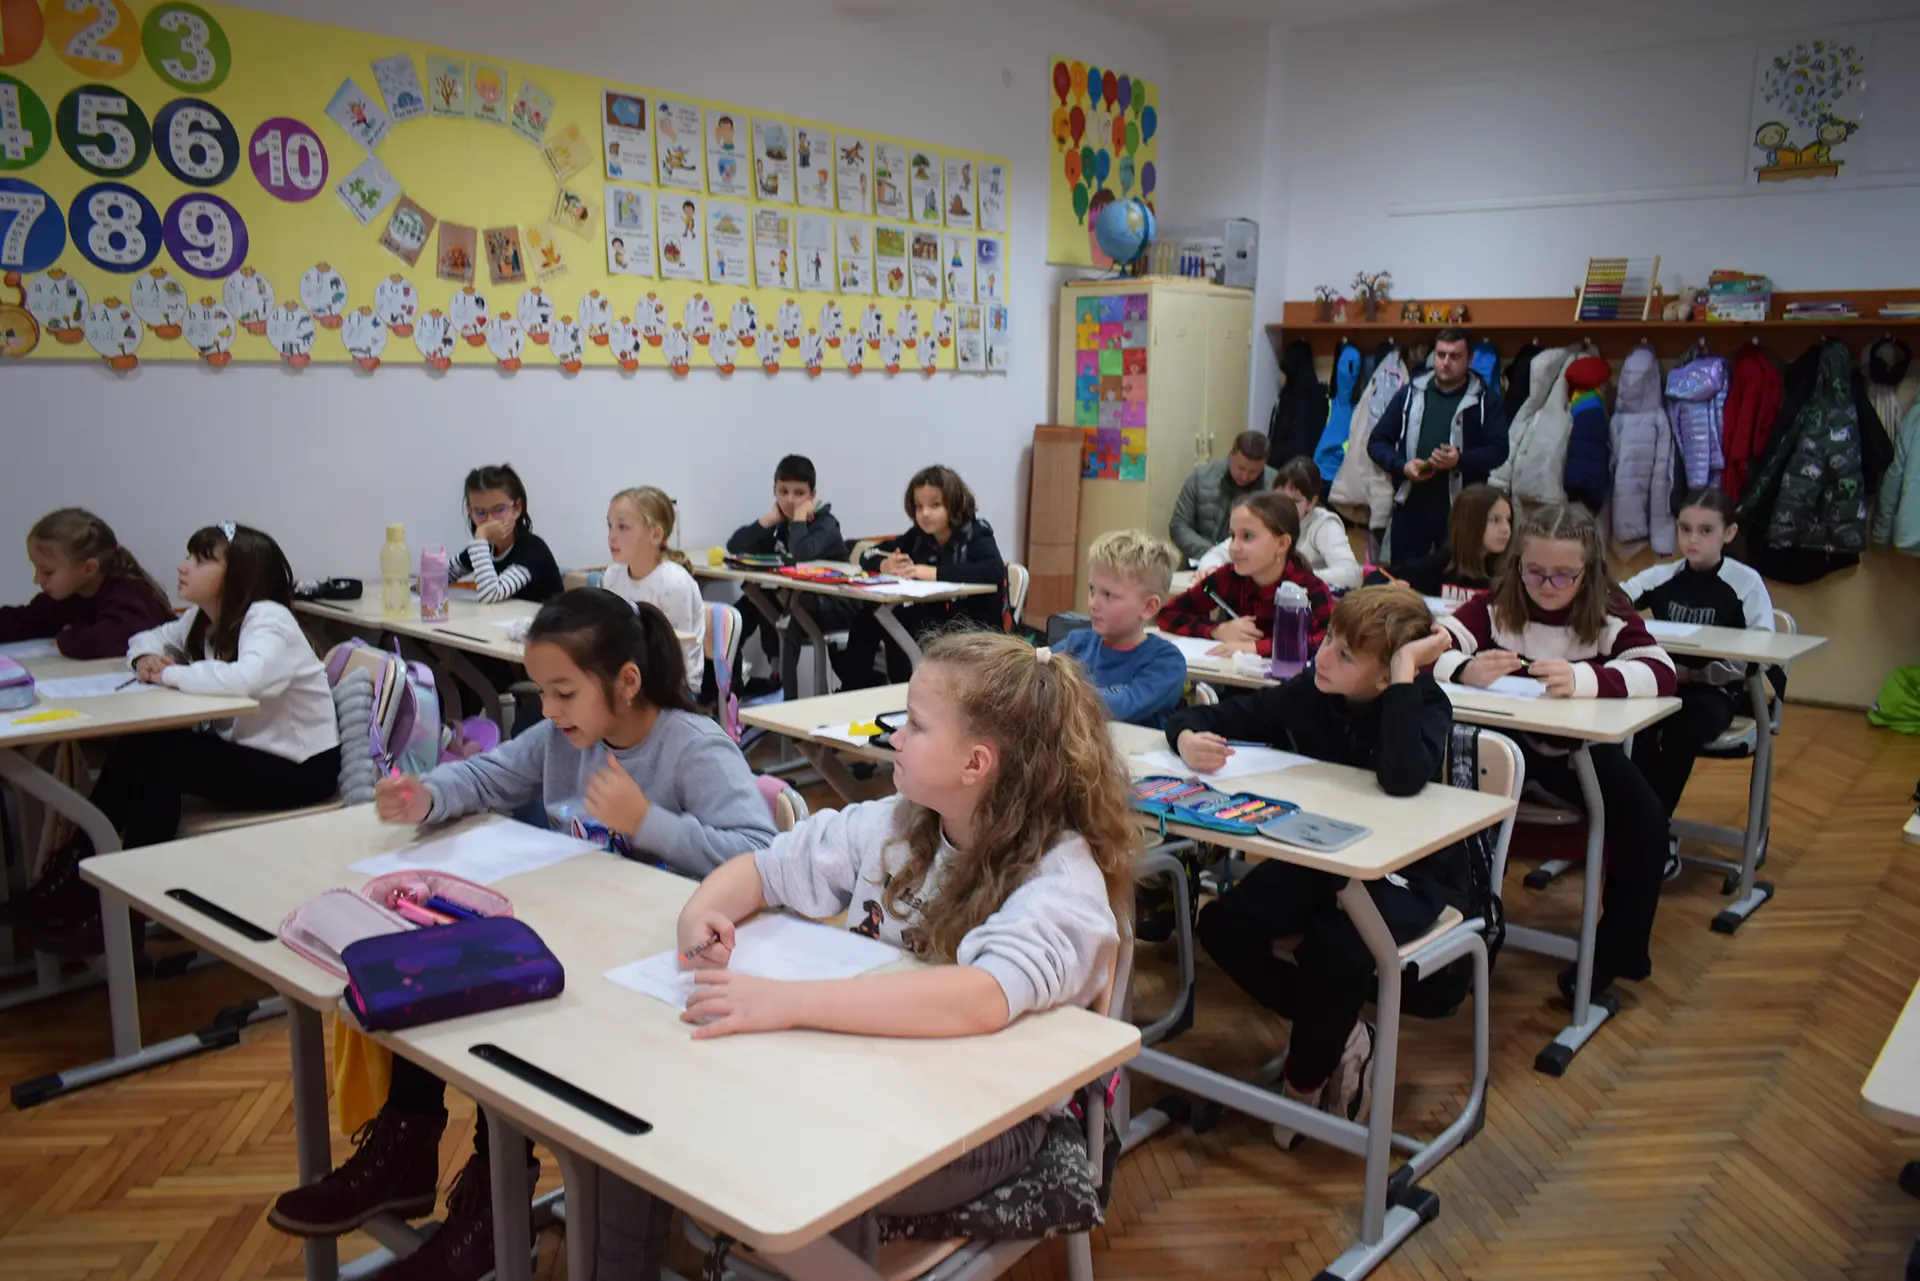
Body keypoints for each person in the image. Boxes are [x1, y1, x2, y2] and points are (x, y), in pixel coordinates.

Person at [583, 632, 1133, 1274]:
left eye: (916, 726)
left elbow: (982, 997)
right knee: (634, 1107)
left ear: (976, 763)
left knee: (816, 1162)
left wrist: (789, 1003)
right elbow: (762, 869)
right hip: (873, 1076)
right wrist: (699, 915)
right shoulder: (899, 821)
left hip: (987, 1127)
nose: (895, 737)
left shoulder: (1060, 882)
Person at [267, 589, 775, 1281]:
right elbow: (488, 774)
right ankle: (410, 1149)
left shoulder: (692, 748)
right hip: (585, 942)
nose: (550, 710)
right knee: (433, 968)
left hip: (650, 979)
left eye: (565, 692)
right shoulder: (562, 739)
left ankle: (494, 1204)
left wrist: (645, 821)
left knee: (501, 1025)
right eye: (543, 693)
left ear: (627, 681)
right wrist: (429, 795)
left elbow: (760, 853)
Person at [1167, 586, 1461, 1147]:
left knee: (1337, 947)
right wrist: (1186, 738)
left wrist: (1405, 673)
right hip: (1326, 859)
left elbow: (1402, 777)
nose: (1322, 657)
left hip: (1410, 871)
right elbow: (1209, 714)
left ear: (1388, 676)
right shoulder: (1314, 691)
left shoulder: (1423, 704)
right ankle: (1339, 1031)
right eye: (1328, 640)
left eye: (1345, 655)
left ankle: (1304, 1081)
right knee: (1224, 924)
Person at [35, 524, 342, 955]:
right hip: (253, 755)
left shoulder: (268, 619)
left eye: (201, 560)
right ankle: (85, 878)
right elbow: (148, 637)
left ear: (239, 573)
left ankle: (114, 907)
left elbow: (247, 680)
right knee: (147, 747)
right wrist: (146, 658)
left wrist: (170, 674)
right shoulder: (206, 618)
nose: (184, 567)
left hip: (300, 769)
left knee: (162, 758)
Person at [1432, 501, 1674, 1004]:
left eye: (1563, 575)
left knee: (1646, 818)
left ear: (1589, 572)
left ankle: (1616, 954)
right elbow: (1430, 644)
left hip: (1575, 755)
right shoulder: (1498, 604)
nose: (1546, 585)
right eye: (1534, 571)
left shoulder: (1607, 613)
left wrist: (1587, 678)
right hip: (1504, 752)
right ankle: (1459, 934)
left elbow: (1660, 670)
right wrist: (1464, 668)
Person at [1619, 488, 1777, 875]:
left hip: (1719, 692)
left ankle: (1653, 833)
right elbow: (1613, 601)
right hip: (1666, 685)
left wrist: (1699, 673)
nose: (1692, 540)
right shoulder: (1664, 575)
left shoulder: (1746, 583)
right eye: (1685, 529)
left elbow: (1762, 652)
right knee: (1632, 728)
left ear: (1729, 533)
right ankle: (1633, 828)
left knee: (1681, 728)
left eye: (1706, 531)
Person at [836, 465, 1006, 689]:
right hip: (933, 617)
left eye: (935, 505)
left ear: (954, 503)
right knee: (872, 616)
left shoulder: (976, 533)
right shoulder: (918, 537)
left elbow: (993, 570)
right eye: (919, 506)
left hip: (971, 625)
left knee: (897, 621)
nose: (925, 513)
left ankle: (906, 691)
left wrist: (932, 573)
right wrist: (884, 565)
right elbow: (867, 554)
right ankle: (853, 690)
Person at [1367, 328, 1506, 563]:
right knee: (1406, 578)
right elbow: (1377, 442)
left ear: (1470, 359)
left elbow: (1499, 450)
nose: (1445, 363)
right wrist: (1402, 466)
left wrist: (1460, 460)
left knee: (1457, 577)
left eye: (1455, 356)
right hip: (1411, 507)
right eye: (1441, 355)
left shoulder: (1487, 400)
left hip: (1463, 513)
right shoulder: (1410, 393)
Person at [725, 454, 853, 693]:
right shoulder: (781, 523)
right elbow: (735, 546)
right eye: (783, 491)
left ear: (812, 495)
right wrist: (769, 519)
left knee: (790, 610)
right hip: (797, 601)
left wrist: (799, 519)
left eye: (799, 493)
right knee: (745, 609)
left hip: (835, 604)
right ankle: (724, 683)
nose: (790, 499)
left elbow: (802, 553)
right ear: (774, 491)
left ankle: (786, 697)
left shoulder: (825, 523)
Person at [1157, 492, 1333, 659]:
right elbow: (1168, 614)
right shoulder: (1229, 576)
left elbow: (1327, 643)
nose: (1234, 547)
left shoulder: (1310, 589)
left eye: (1247, 536)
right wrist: (1217, 630)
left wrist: (1256, 648)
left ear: (1281, 544)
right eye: (1233, 536)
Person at [1051, 529, 1187, 728]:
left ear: (1148, 607)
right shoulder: (1077, 643)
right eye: (1092, 590)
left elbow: (1123, 705)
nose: (1093, 603)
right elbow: (1037, 676)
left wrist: (1060, 694)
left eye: (1108, 595)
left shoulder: (1166, 663)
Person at [0, 507, 173, 659]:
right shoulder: (65, 597)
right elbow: (26, 620)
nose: (37, 580)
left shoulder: (130, 593)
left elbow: (112, 639)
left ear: (89, 569)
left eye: (47, 572)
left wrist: (67, 638)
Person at [602, 486, 705, 699]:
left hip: (673, 690)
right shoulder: (612, 576)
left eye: (623, 527)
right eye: (610, 526)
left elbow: (676, 657)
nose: (612, 536)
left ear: (655, 535)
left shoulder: (675, 583)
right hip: (628, 681)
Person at [1196, 457, 1361, 590]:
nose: (1283, 508)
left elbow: (1351, 574)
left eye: (1294, 501)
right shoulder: (1264, 517)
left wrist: (1293, 578)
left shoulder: (1324, 524)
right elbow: (1219, 553)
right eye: (1279, 499)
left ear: (1311, 503)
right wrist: (1211, 569)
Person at [1366, 484, 1512, 603]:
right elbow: (1376, 578)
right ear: (1470, 524)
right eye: (1495, 520)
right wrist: (1391, 586)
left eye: (1509, 520)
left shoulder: (1511, 572)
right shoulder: (1442, 563)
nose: (1506, 529)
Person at [451, 463, 563, 605]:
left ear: (517, 508)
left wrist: (481, 537)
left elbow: (490, 595)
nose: (490, 520)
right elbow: (439, 577)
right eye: (479, 512)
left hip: (548, 618)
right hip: (511, 618)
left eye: (499, 510)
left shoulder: (533, 549)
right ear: (470, 513)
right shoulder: (486, 548)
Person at [1169, 431, 1277, 564]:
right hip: (1199, 561)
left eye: (1253, 472)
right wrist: (1216, 554)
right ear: (1231, 454)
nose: (1244, 476)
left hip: (1253, 567)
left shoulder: (1275, 487)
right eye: (1241, 468)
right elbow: (1179, 525)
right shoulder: (1201, 478)